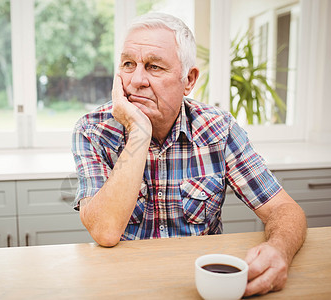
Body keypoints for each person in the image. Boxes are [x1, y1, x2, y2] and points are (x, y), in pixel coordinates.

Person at [71, 12, 307, 297]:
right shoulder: (92, 130)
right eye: (128, 64)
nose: (136, 80)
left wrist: (279, 249)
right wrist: (139, 131)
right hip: (123, 284)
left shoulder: (219, 129)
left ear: (189, 79)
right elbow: (105, 231)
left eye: (154, 67)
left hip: (201, 286)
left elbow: (284, 209)